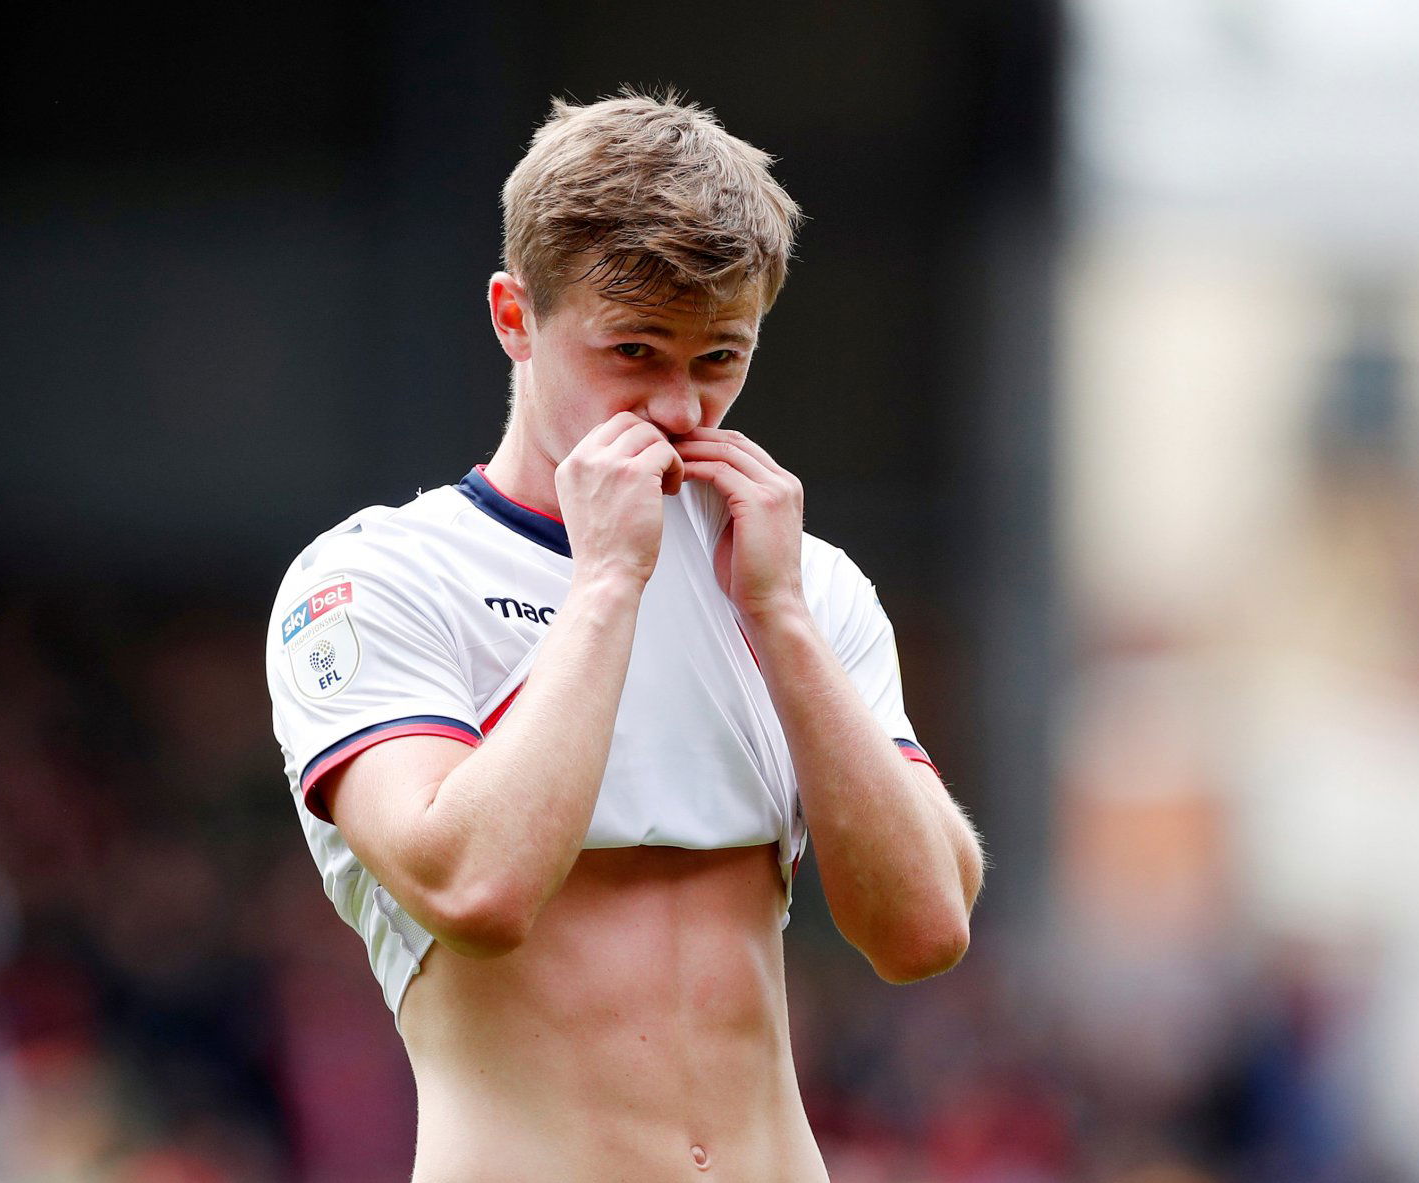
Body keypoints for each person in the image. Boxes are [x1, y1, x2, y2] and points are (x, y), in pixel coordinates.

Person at [266, 91, 984, 1181]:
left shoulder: (800, 580)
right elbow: (475, 890)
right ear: (515, 316)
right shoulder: (378, 577)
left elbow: (924, 929)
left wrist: (780, 618)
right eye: (635, 351)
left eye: (717, 360)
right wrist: (606, 583)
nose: (681, 411)